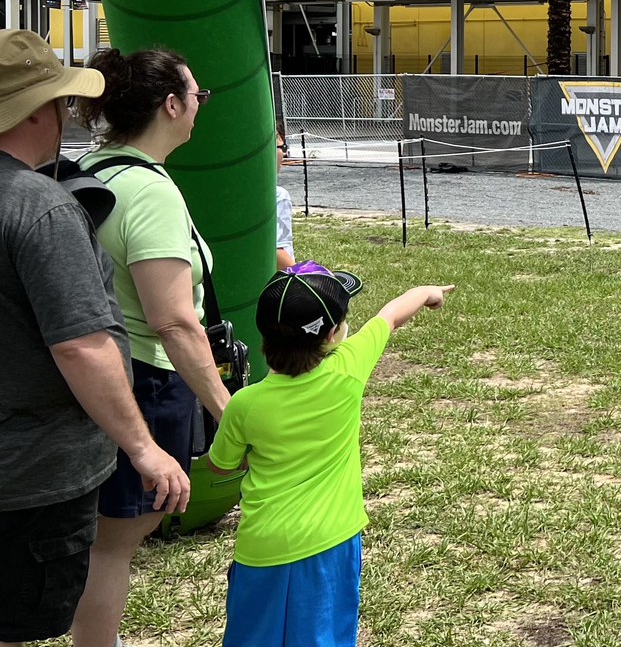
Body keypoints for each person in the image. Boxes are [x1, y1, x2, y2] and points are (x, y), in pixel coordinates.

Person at [0, 31, 190, 647]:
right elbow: (81, 344)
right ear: (36, 109)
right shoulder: (40, 207)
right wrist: (143, 447)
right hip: (28, 474)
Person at [71, 47, 232, 647]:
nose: (199, 107)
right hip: (147, 381)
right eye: (198, 96)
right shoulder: (152, 192)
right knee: (115, 541)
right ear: (171, 104)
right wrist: (226, 407)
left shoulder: (95, 168)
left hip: (101, 376)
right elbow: (174, 321)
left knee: (106, 537)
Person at [207, 266, 451, 647]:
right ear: (333, 334)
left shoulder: (244, 404)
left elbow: (220, 464)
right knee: (324, 637)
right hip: (331, 543)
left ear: (264, 337)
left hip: (262, 546)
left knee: (251, 637)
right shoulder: (348, 368)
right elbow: (389, 315)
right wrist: (427, 291)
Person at [275, 124, 295, 271]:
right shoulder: (279, 195)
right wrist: (312, 277)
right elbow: (274, 251)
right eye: (280, 148)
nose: (283, 153)